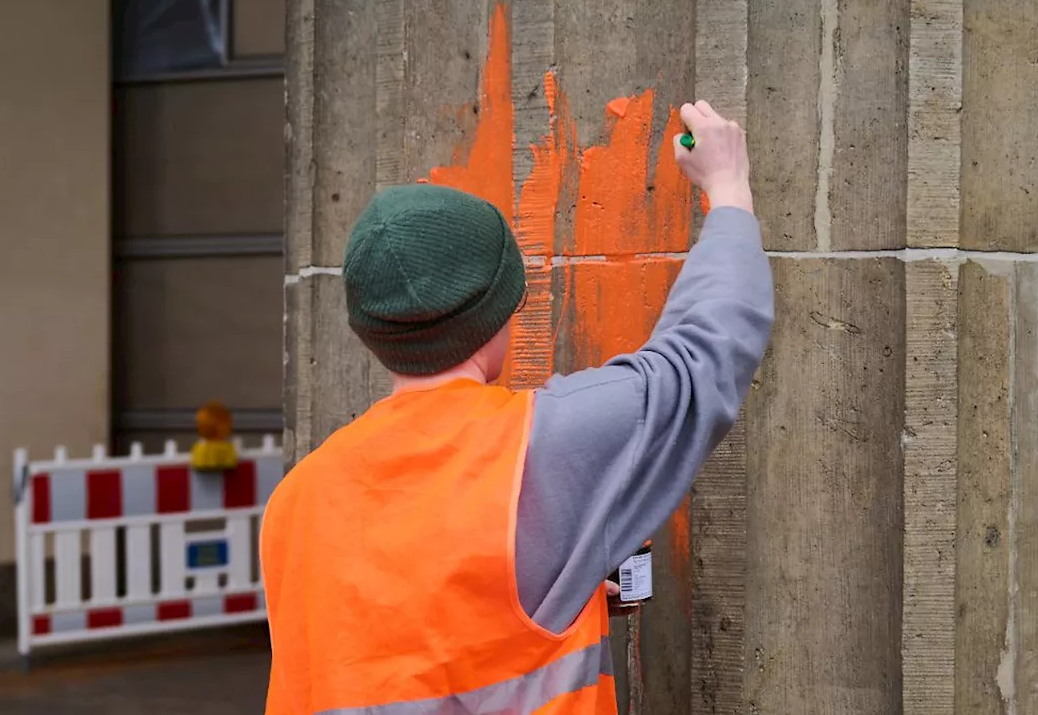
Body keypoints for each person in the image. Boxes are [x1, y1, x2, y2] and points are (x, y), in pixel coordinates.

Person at [261, 100, 773, 713]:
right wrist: (728, 187)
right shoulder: (539, 444)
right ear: (499, 315)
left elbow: (408, 637)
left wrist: (547, 588)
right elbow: (701, 359)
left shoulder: (295, 502)